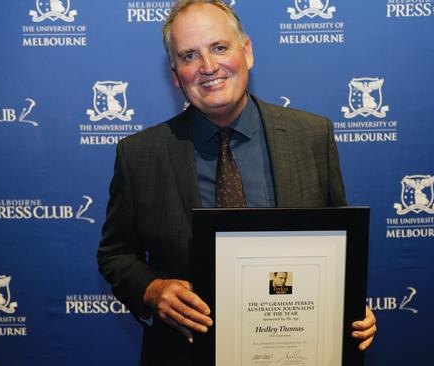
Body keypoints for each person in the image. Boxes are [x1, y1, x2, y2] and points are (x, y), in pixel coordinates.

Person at [97, 1, 376, 364]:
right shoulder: (139, 154)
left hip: (298, 353)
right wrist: (152, 289)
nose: (208, 67)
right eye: (189, 56)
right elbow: (115, 254)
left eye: (219, 47)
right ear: (175, 73)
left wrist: (348, 304)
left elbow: (340, 244)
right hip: (185, 353)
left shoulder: (311, 135)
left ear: (247, 52)